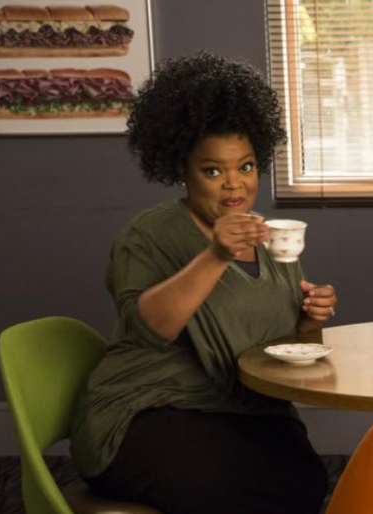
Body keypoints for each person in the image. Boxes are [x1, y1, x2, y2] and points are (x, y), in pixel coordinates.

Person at [70, 52, 337, 514]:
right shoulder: (149, 234)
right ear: (181, 170)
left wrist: (312, 317)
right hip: (145, 414)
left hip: (239, 414)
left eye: (247, 166)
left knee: (306, 481)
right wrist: (215, 254)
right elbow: (146, 326)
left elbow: (284, 346)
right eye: (213, 171)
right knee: (227, 488)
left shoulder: (275, 240)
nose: (234, 186)